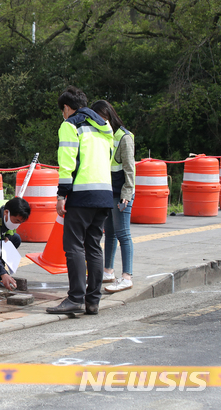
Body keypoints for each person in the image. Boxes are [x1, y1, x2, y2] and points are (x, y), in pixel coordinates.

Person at [46, 86, 113, 316]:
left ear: (66, 107)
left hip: (82, 193)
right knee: (93, 245)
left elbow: (67, 162)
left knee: (73, 245)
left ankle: (75, 298)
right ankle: (93, 301)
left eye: (62, 111)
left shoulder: (70, 125)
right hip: (104, 194)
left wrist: (61, 194)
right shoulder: (105, 126)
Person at [91, 100, 135, 293]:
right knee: (109, 233)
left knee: (123, 233)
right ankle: (108, 271)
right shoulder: (103, 135)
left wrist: (127, 193)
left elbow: (130, 169)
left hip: (122, 193)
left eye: (101, 117)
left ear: (109, 115)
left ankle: (127, 276)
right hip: (108, 192)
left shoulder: (124, 137)